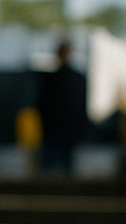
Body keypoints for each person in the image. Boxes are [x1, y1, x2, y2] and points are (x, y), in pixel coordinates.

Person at [37, 42, 88, 174]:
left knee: (66, 169)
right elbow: (42, 105)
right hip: (53, 131)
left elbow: (80, 106)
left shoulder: (76, 78)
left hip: (68, 131)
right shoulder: (51, 79)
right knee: (48, 170)